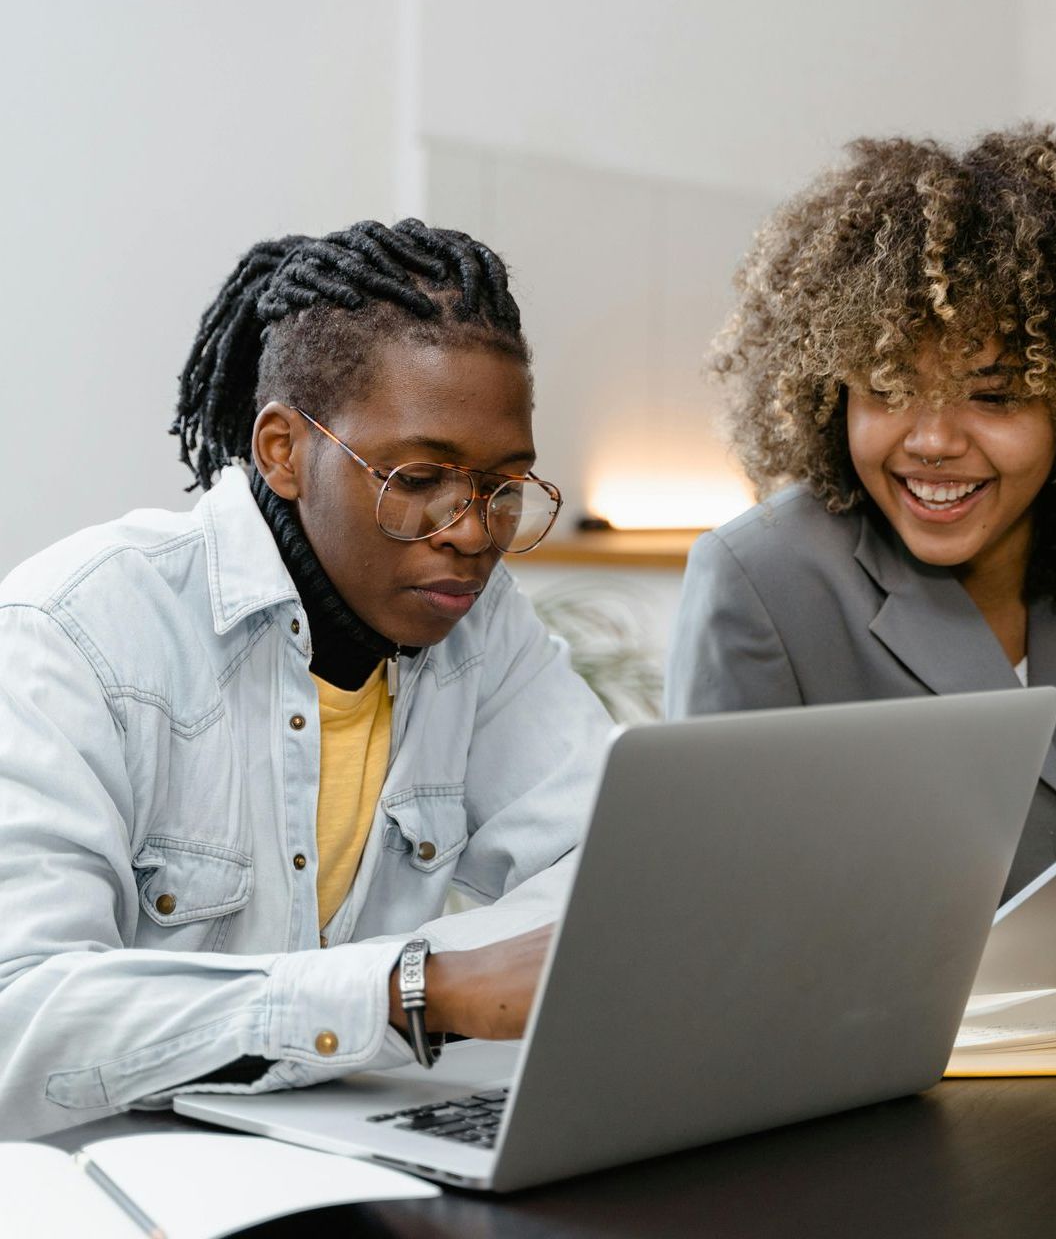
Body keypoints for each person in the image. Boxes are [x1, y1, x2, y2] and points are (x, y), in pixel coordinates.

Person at [0, 220, 613, 1137]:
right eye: (420, 477)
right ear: (284, 450)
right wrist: (408, 993)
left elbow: (603, 870)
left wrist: (408, 995)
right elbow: (20, 1016)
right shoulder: (77, 630)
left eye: (504, 486)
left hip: (337, 1147)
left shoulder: (479, 625)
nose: (473, 531)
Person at [666, 128, 1056, 1019]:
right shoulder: (760, 583)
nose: (932, 442)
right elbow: (712, 921)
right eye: (885, 386)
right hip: (873, 1083)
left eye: (994, 395)